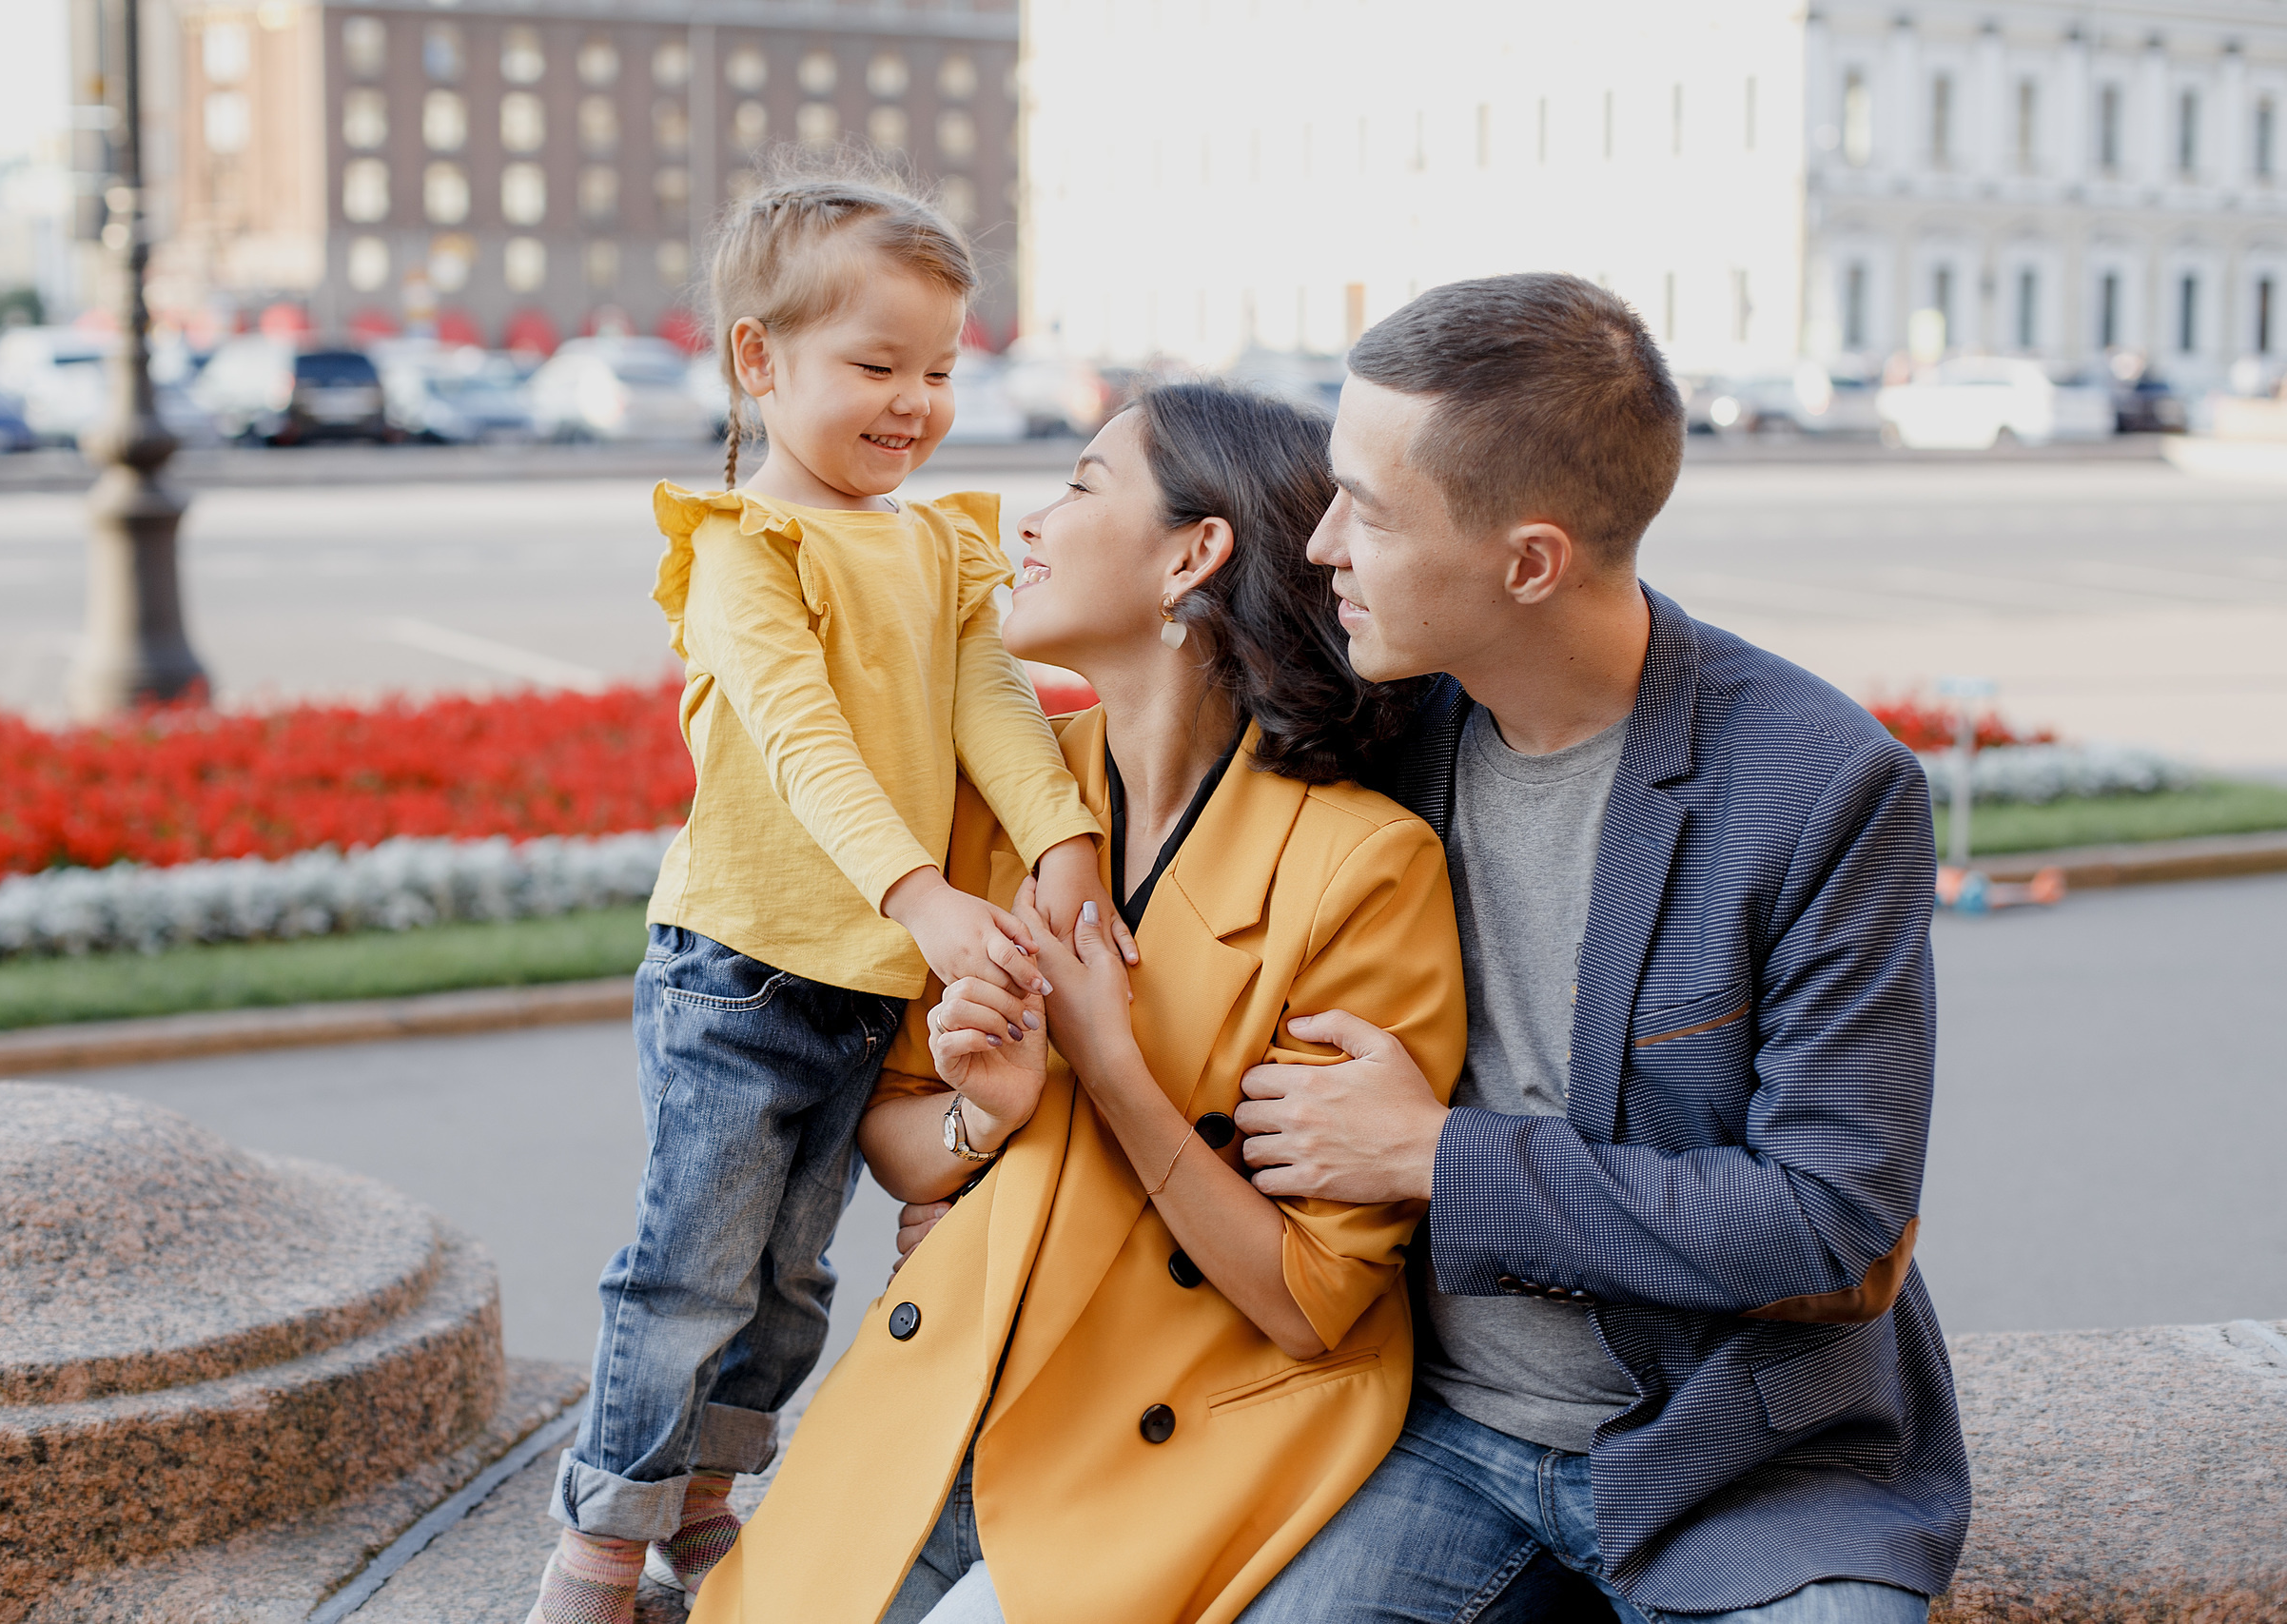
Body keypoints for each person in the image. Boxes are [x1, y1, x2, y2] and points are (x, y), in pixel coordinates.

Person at [1232, 273, 1966, 1623]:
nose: (1325, 543)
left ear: (1530, 561)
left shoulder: (1819, 787)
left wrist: (1430, 1154)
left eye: (1372, 512)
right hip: (1431, 1432)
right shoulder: (1386, 731)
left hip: (1750, 1461)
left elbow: (1827, 1226)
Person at [688, 382, 1467, 1624]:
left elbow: (1309, 1300)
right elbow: (898, 1140)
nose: (1028, 522)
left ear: (1193, 554)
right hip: (970, 1375)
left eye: (1082, 486)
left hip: (1189, 1425)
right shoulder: (1009, 788)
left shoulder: (1359, 869)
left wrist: (1108, 1067)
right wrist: (984, 1121)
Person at [524, 165, 1123, 1624]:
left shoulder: (935, 541)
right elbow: (804, 745)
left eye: (939, 367)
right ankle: (598, 1545)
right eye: (875, 365)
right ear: (757, 360)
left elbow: (991, 700)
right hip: (738, 971)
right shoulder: (744, 546)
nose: (915, 401)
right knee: (688, 1276)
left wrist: (1061, 842)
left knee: (789, 1285)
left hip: (861, 987)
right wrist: (924, 898)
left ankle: (706, 1512)